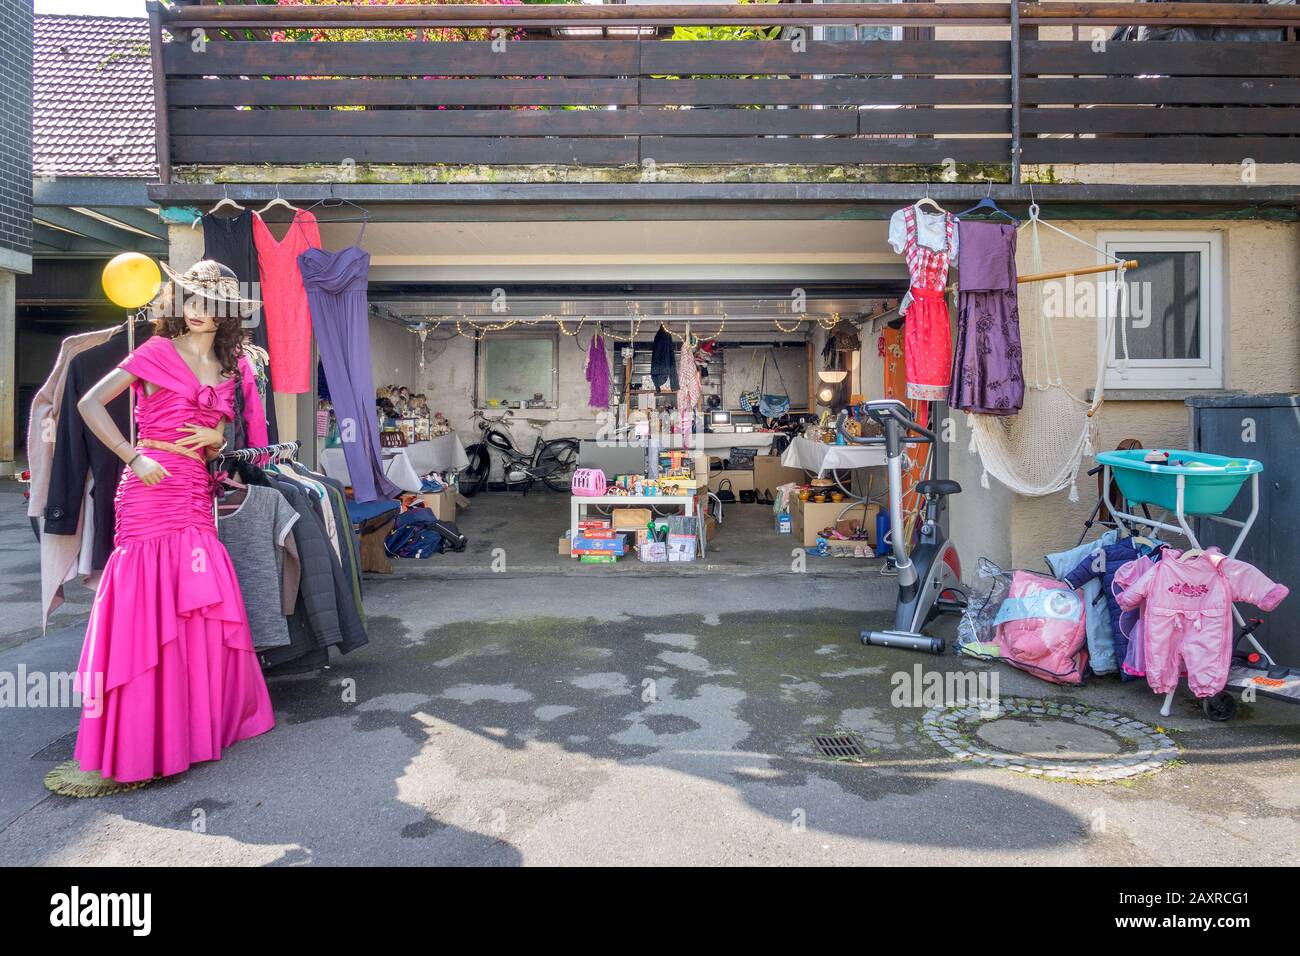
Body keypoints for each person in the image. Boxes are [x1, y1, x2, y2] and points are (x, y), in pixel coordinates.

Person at [72, 260, 274, 783]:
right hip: (148, 486)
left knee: (195, 601)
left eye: (211, 303)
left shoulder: (236, 369)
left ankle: (192, 728)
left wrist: (221, 441)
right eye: (192, 299)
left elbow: (250, 443)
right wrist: (131, 456)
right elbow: (89, 403)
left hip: (193, 490)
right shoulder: (156, 351)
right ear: (180, 304)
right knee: (146, 599)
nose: (200, 311)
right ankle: (141, 738)